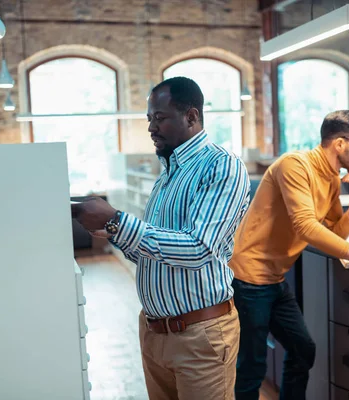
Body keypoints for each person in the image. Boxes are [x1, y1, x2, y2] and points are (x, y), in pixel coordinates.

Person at [72, 76, 251, 400]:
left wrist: (117, 220)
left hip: (200, 335)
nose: (152, 127)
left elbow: (198, 248)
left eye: (160, 118)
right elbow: (153, 253)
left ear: (192, 117)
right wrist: (113, 232)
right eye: (149, 119)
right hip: (154, 331)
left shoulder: (221, 166)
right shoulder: (168, 173)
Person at [228, 110, 349, 400]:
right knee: (251, 368)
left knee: (303, 349)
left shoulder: (331, 177)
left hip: (274, 279)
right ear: (340, 144)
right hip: (249, 278)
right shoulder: (294, 166)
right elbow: (306, 226)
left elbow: (334, 232)